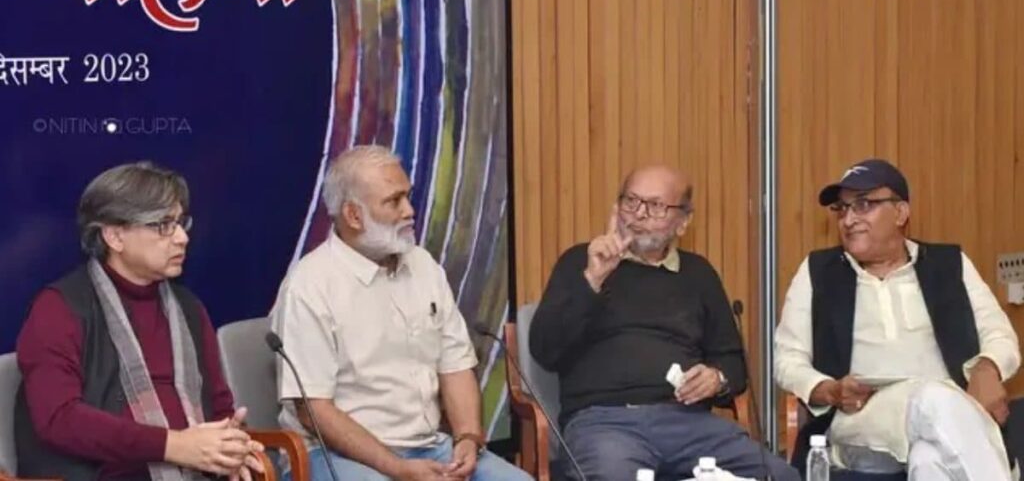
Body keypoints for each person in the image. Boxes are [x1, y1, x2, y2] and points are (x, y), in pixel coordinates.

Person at [270, 145, 531, 481]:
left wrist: (467, 437)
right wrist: (397, 469)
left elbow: (455, 366)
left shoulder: (423, 266)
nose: (410, 210)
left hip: (428, 446)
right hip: (329, 453)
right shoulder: (309, 285)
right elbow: (314, 411)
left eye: (407, 196)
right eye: (394, 201)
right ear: (353, 216)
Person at [529, 165, 799, 481]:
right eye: (631, 201)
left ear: (683, 222)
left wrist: (716, 378)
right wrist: (592, 280)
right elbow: (544, 349)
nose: (639, 214)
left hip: (689, 423)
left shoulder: (698, 274)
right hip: (604, 423)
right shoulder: (581, 261)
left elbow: (733, 361)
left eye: (656, 206)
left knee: (780, 475)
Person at [16, 161, 264, 481]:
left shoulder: (188, 307)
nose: (181, 238)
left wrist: (229, 447)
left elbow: (219, 406)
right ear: (114, 236)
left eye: (180, 223)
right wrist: (173, 446)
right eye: (163, 225)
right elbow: (60, 419)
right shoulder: (58, 308)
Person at [775, 158, 1020, 480]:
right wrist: (829, 390)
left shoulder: (949, 264)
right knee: (932, 399)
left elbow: (999, 334)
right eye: (842, 208)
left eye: (863, 205)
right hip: (861, 420)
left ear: (901, 212)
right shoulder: (819, 272)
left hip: (947, 416)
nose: (849, 219)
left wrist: (987, 368)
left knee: (928, 459)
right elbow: (787, 360)